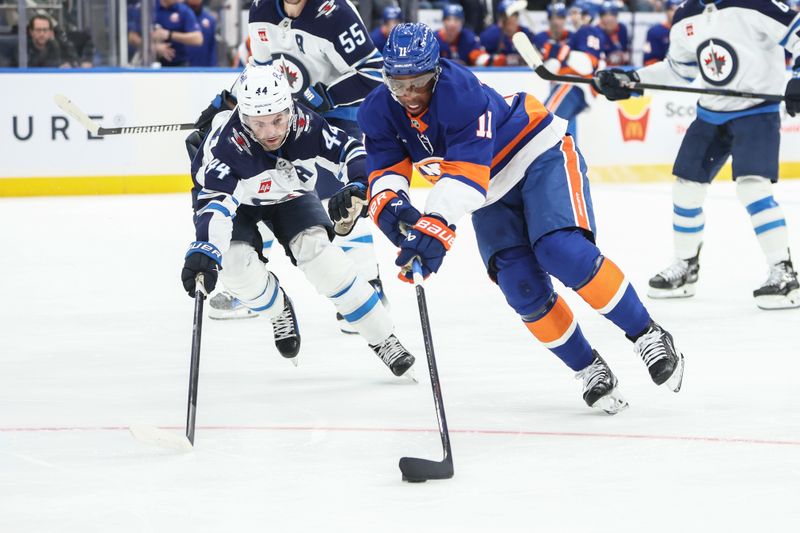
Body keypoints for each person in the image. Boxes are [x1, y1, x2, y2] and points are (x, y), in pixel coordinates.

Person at [334, 23, 685, 413]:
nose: (408, 95)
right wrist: (395, 216)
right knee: (520, 285)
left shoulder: (459, 92)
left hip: (536, 154)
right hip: (489, 191)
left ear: (435, 72)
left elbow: (467, 179)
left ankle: (646, 334)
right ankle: (589, 368)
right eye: (397, 84)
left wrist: (433, 228)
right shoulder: (378, 110)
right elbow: (386, 175)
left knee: (560, 250)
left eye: (417, 83)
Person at [181, 64, 416, 377]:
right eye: (259, 124)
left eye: (278, 119)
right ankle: (278, 310)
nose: (272, 132)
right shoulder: (226, 144)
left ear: (289, 108)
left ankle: (383, 337)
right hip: (240, 205)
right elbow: (214, 203)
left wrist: (359, 181)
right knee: (234, 265)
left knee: (321, 257)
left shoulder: (305, 123)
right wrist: (206, 249)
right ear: (243, 116)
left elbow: (349, 149)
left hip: (290, 196)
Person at [595, 0, 800, 310]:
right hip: (711, 113)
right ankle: (686, 267)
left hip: (757, 113)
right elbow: (678, 70)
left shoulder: (755, 4)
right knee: (686, 188)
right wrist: (632, 81)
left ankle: (783, 271)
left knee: (752, 187)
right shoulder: (686, 15)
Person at [212, 0, 387, 333]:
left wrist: (325, 97)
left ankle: (369, 285)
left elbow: (373, 71)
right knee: (257, 187)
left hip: (339, 113)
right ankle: (249, 285)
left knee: (343, 196)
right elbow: (260, 68)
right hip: (281, 117)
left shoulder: (337, 13)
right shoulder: (261, 11)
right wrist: (231, 100)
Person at [541, 1, 604, 138]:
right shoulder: (585, 34)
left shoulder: (586, 31)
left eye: (576, 13)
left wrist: (560, 58)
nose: (572, 17)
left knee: (544, 122)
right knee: (560, 133)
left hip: (572, 86)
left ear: (587, 16)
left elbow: (587, 63)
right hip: (580, 91)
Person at [128, 0, 203, 67]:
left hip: (178, 65)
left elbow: (198, 39)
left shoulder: (184, 11)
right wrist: (152, 47)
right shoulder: (147, 8)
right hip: (147, 64)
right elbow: (132, 37)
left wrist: (169, 34)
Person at [478, 0, 535, 66]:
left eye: (514, 15)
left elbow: (538, 57)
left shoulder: (526, 33)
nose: (511, 18)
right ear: (500, 18)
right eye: (507, 16)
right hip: (497, 73)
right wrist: (495, 60)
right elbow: (480, 59)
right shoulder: (489, 35)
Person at [642, 0, 681, 66]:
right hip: (661, 72)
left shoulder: (687, 30)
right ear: (666, 12)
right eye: (672, 10)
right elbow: (648, 60)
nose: (675, 12)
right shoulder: (654, 32)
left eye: (678, 9)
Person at [596, 1, 629, 66]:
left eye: (611, 15)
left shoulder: (622, 28)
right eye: (605, 15)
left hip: (621, 66)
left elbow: (625, 51)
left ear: (616, 16)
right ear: (600, 18)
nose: (608, 19)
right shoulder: (595, 31)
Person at [185, 0, 217, 66]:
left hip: (204, 68)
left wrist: (213, 68)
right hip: (181, 68)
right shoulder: (181, 17)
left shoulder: (210, 20)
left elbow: (212, 47)